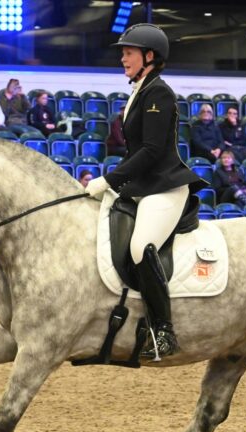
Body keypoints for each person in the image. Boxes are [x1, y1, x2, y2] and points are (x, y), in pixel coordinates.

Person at [83, 24, 208, 361]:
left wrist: (109, 180)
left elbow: (152, 151)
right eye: (122, 52)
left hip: (164, 186)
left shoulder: (159, 94)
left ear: (149, 56)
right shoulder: (140, 89)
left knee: (141, 246)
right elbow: (133, 151)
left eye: (129, 52)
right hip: (141, 186)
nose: (122, 57)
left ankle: (165, 330)